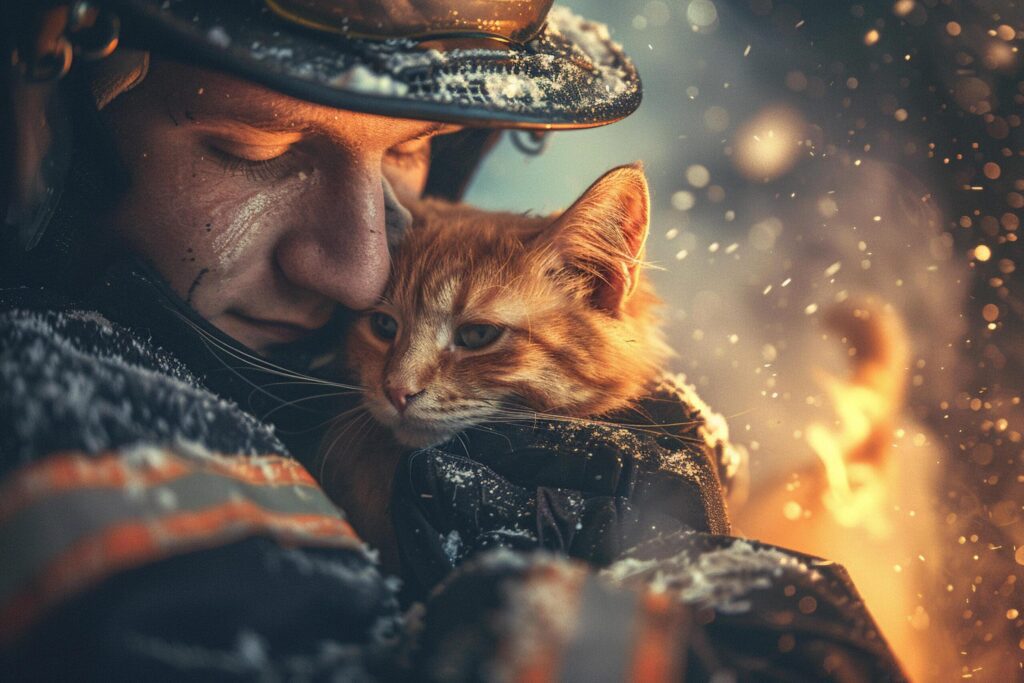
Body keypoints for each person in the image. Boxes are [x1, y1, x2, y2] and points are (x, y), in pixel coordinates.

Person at [1, 1, 906, 679]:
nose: (362, 273)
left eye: (411, 146)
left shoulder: (290, 353)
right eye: (253, 152)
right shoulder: (51, 409)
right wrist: (687, 616)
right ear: (54, 125)